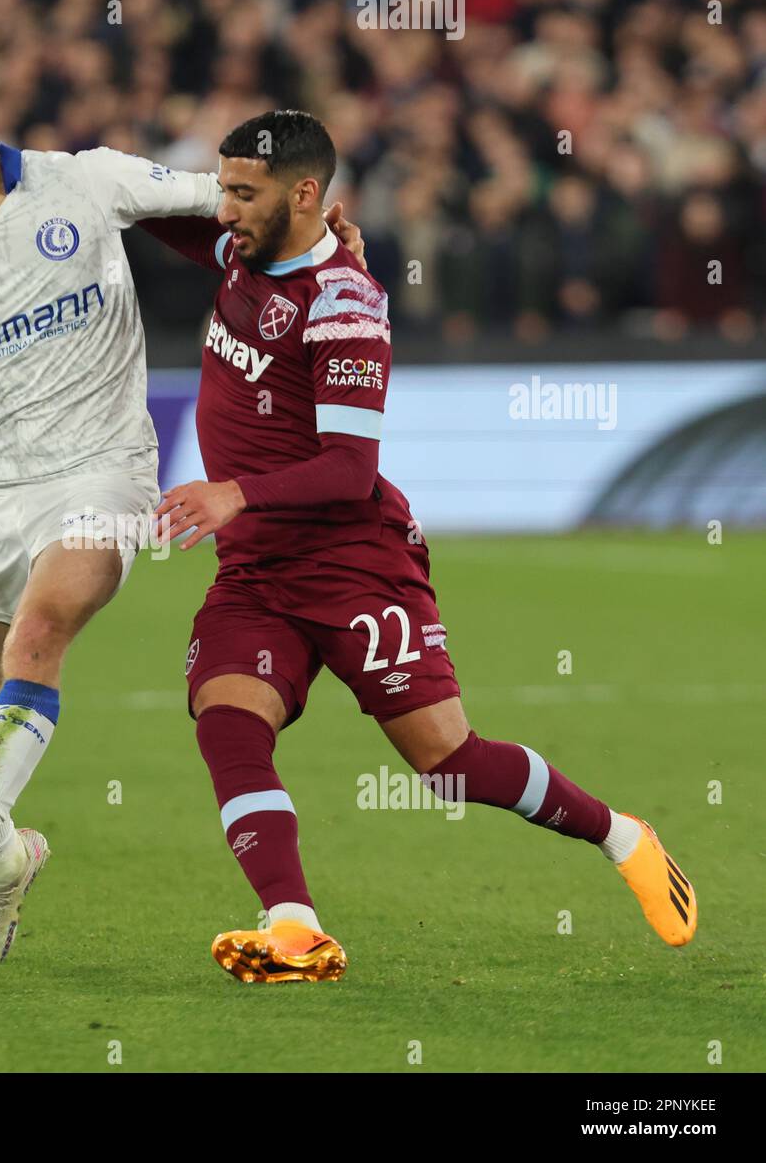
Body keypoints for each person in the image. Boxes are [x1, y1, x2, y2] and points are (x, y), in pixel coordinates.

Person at [142, 110, 696, 983]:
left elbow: (349, 470)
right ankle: (292, 926)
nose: (225, 212)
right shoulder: (242, 250)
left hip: (354, 563)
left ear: (306, 195)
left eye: (243, 195)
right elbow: (153, 215)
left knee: (447, 762)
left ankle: (623, 835)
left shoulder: (344, 305)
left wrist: (234, 493)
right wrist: (46, 181)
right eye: (223, 192)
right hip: (257, 566)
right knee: (228, 717)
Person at [0, 59, 367, 965]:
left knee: (39, 634)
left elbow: (232, 197)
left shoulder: (85, 181)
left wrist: (324, 238)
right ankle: (9, 857)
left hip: (106, 477)